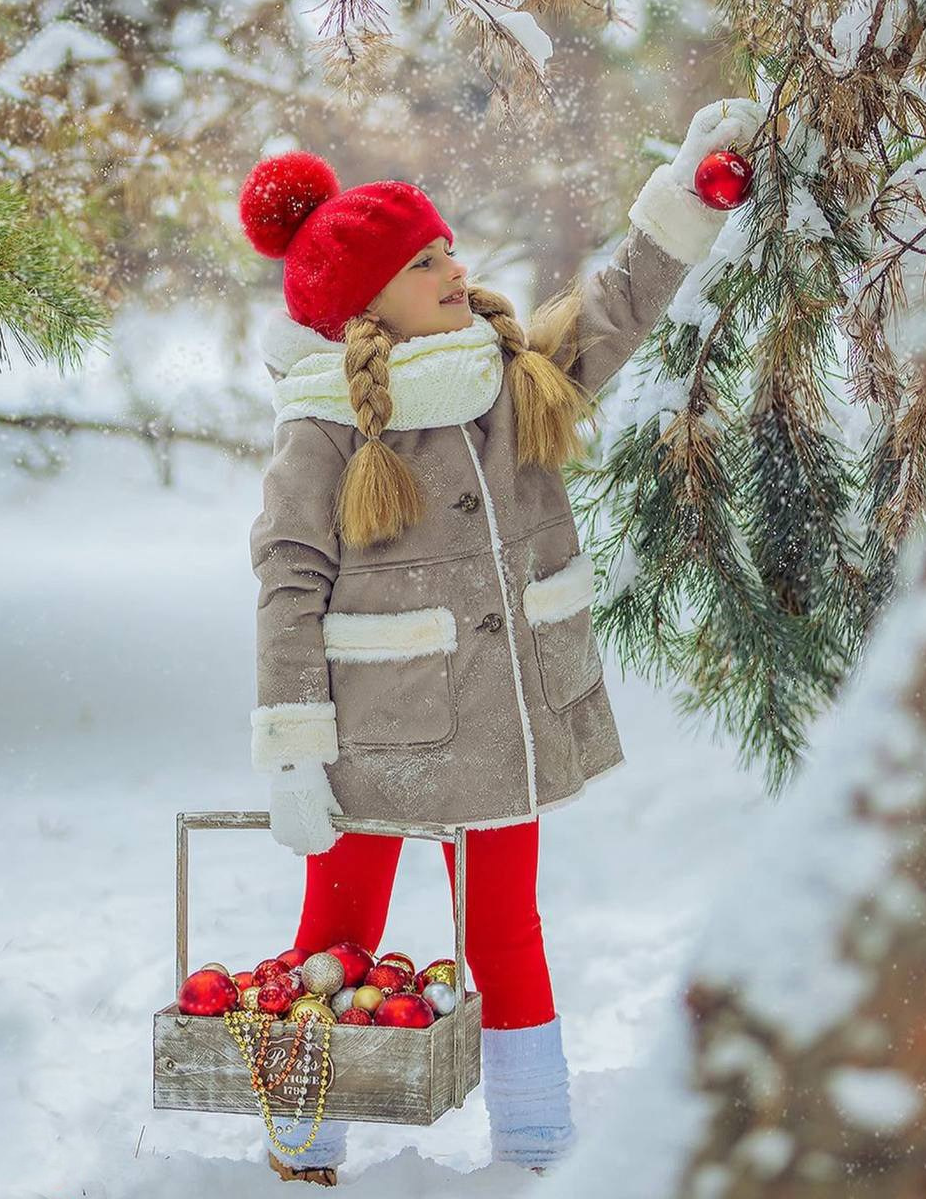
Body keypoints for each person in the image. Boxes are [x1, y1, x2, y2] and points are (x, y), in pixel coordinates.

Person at [238, 96, 763, 1186]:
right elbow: (287, 581)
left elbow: (616, 306)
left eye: (444, 245)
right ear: (363, 300)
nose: (451, 262)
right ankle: (297, 1148)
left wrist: (685, 194)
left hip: (500, 722)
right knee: (333, 939)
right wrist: (292, 743)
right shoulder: (320, 422)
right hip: (375, 732)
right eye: (422, 257)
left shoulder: (509, 370)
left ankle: (535, 1146)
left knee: (507, 929)